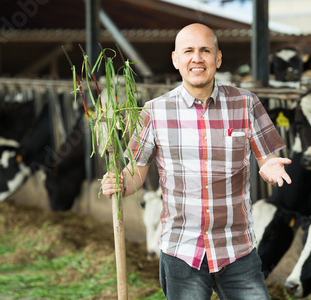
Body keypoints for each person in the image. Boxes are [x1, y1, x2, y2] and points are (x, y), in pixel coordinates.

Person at [101, 23, 292, 300]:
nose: (197, 58)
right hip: (182, 250)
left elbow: (267, 157)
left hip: (236, 248)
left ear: (218, 58)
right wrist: (121, 184)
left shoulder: (246, 103)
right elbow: (136, 173)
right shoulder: (154, 112)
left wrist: (270, 166)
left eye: (205, 50)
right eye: (188, 51)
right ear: (176, 59)